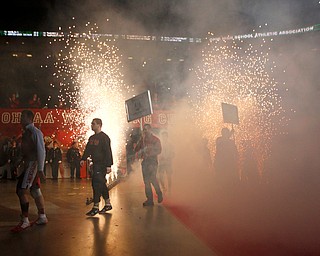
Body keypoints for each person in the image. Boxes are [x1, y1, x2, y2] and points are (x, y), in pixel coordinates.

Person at [11, 110, 48, 233]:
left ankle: (25, 221)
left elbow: (41, 151)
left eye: (22, 117)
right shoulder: (26, 132)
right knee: (35, 190)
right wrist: (19, 161)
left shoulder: (35, 132)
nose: (20, 119)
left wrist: (41, 169)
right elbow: (25, 150)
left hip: (32, 165)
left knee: (21, 191)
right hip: (29, 164)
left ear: (29, 118)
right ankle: (42, 217)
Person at [80, 118, 113, 216]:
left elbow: (108, 151)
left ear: (99, 125)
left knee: (97, 184)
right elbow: (87, 150)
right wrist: (83, 159)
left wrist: (108, 165)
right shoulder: (91, 138)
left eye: (93, 124)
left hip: (102, 164)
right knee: (100, 184)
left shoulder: (104, 137)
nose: (91, 125)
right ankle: (107, 204)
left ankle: (96, 206)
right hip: (95, 164)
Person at [134, 124, 163, 206]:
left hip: (152, 161)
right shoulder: (142, 140)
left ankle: (159, 193)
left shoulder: (155, 140)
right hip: (145, 162)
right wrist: (140, 141)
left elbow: (159, 150)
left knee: (152, 178)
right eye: (144, 130)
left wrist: (150, 153)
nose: (145, 131)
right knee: (146, 182)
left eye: (146, 129)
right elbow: (136, 149)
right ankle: (149, 200)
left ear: (150, 130)